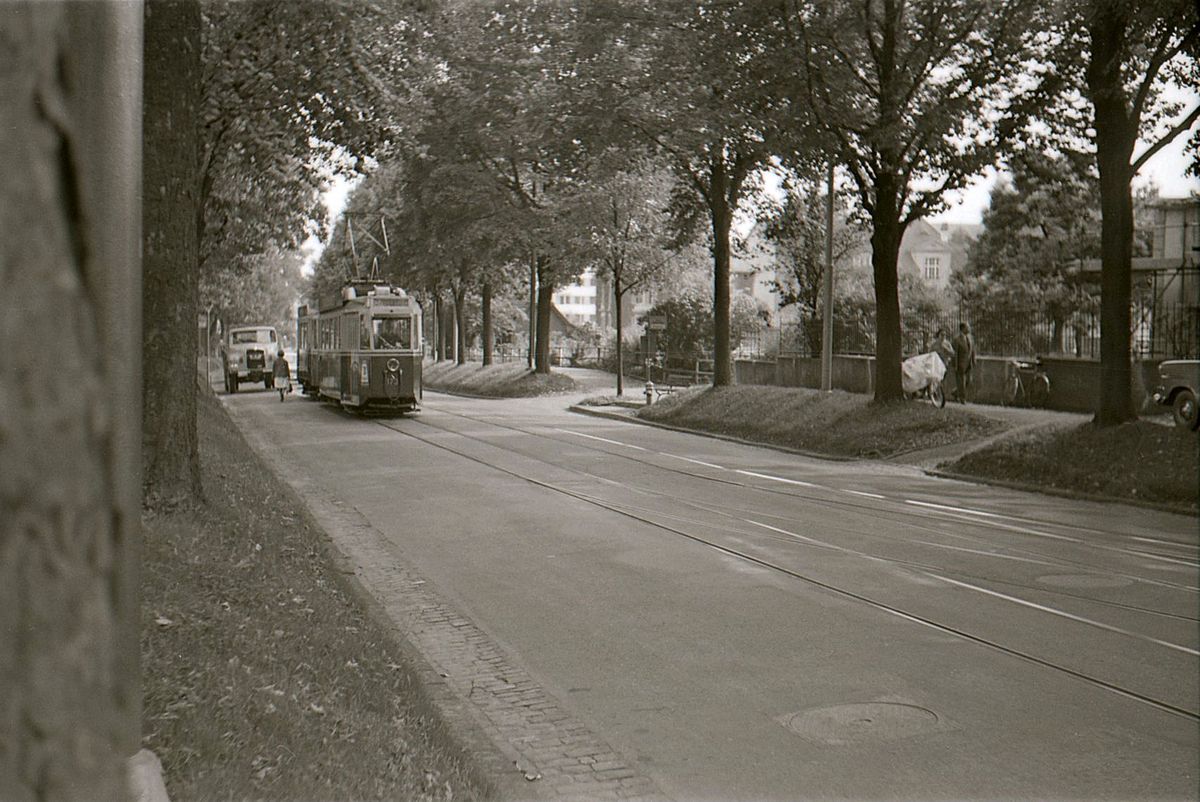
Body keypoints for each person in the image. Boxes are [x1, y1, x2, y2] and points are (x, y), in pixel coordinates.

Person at [952, 322, 976, 403]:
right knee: (961, 382)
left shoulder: (970, 338)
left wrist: (973, 360)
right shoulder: (957, 339)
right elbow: (955, 353)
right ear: (963, 328)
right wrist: (955, 365)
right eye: (967, 327)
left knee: (969, 381)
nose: (969, 329)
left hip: (968, 363)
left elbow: (972, 350)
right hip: (960, 364)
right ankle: (962, 399)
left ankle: (955, 393)